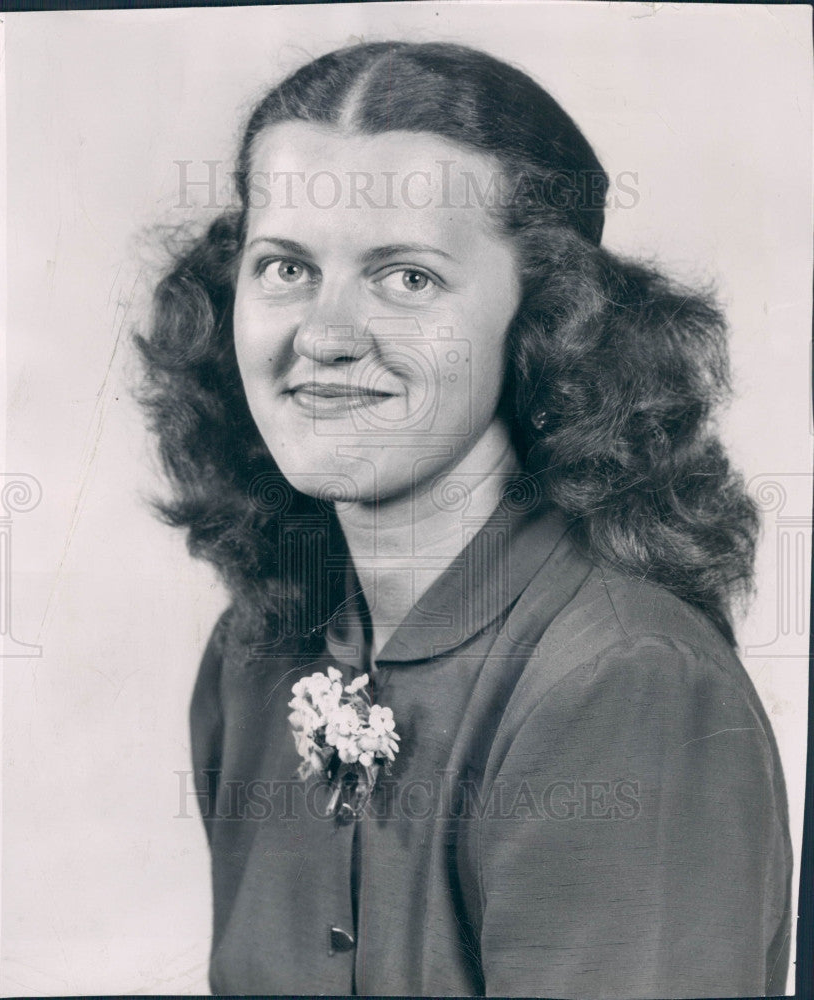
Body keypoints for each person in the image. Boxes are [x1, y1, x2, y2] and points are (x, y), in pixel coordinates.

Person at [136, 41, 792, 998]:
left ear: (545, 318)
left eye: (407, 279)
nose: (322, 335)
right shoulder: (255, 653)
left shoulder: (623, 686)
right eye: (283, 267)